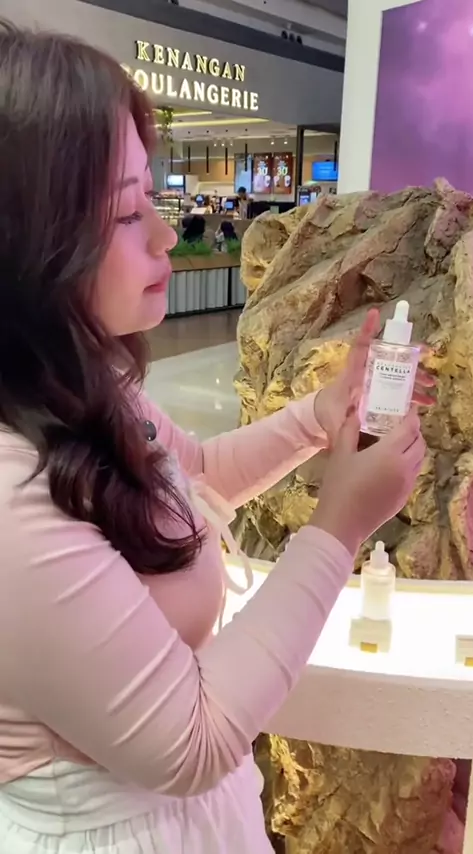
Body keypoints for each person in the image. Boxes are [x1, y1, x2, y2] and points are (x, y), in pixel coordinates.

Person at [0, 21, 435, 854]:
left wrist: (319, 416)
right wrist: (339, 528)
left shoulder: (81, 388)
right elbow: (190, 742)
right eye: (128, 212)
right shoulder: (12, 495)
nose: (167, 235)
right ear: (28, 246)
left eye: (153, 199)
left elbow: (190, 474)